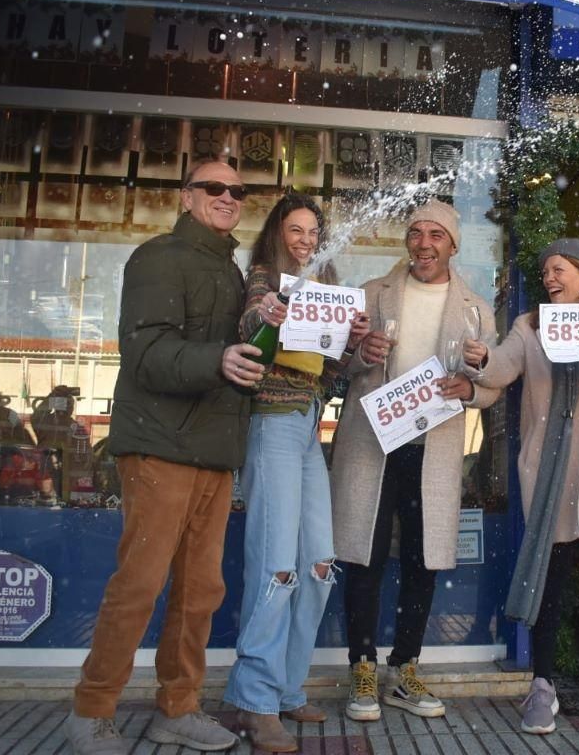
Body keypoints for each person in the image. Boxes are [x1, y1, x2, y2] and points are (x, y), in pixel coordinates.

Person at [64, 160, 263, 755]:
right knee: (141, 583)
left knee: (200, 591)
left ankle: (178, 707)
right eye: (214, 188)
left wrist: (265, 330)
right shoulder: (159, 257)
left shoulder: (233, 272)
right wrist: (219, 359)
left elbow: (235, 354)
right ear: (187, 196)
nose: (228, 197)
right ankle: (91, 709)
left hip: (213, 450)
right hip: (159, 445)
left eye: (237, 191)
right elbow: (146, 352)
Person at [463, 238, 579, 735]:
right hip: (553, 466)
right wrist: (481, 359)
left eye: (560, 269)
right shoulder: (530, 326)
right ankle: (543, 682)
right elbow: (502, 369)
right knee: (552, 568)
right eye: (546, 270)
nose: (550, 277)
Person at [330, 199, 500, 722]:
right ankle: (362, 667)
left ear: (453, 245)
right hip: (371, 444)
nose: (423, 244)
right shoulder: (372, 293)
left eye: (435, 235)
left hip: (433, 448)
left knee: (424, 560)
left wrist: (471, 383)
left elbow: (491, 387)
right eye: (415, 233)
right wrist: (361, 355)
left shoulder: (476, 308)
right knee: (364, 554)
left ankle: (405, 668)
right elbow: (336, 365)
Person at [223, 194, 369, 752]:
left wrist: (351, 341)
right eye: (297, 230)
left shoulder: (323, 284)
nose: (306, 239)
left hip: (308, 426)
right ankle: (252, 702)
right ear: (278, 233)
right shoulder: (264, 277)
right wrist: (266, 318)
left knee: (317, 565)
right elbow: (252, 319)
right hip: (271, 425)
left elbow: (329, 367)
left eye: (313, 231)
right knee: (276, 566)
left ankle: (284, 689)